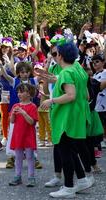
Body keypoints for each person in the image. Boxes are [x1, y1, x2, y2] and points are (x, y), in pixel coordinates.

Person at [41, 41, 93, 198]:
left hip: (66, 118)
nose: (55, 57)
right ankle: (82, 180)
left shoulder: (65, 73)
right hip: (76, 116)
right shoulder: (78, 70)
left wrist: (51, 101)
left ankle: (69, 187)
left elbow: (71, 95)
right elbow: (86, 95)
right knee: (70, 150)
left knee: (65, 152)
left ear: (61, 56)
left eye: (56, 54)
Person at [8, 83, 38, 187]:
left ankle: (31, 177)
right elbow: (12, 121)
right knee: (18, 157)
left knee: (30, 156)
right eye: (18, 92)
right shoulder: (16, 106)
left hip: (28, 135)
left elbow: (32, 122)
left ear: (29, 94)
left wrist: (24, 113)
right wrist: (12, 114)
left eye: (22, 92)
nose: (19, 94)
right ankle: (17, 176)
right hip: (18, 135)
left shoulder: (33, 106)